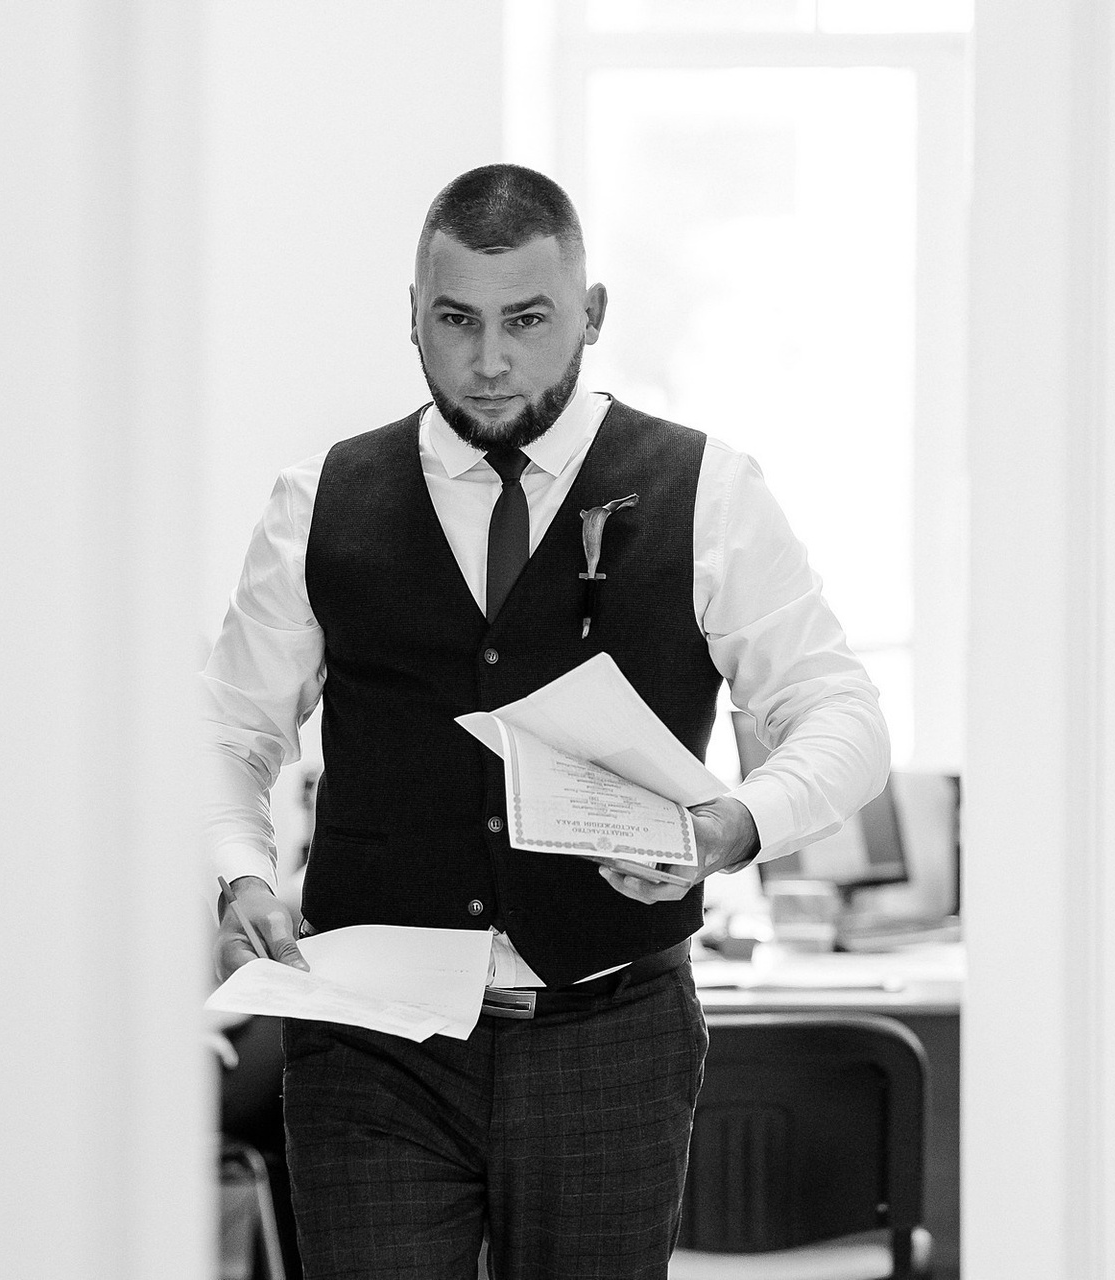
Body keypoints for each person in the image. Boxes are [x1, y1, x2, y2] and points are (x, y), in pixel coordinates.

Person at [202, 163, 889, 1280]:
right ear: (412, 315)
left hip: (611, 1034)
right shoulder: (317, 500)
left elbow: (841, 712)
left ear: (592, 313)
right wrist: (242, 872)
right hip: (369, 1042)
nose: (489, 360)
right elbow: (227, 735)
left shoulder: (709, 492)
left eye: (526, 320)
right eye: (455, 320)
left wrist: (734, 825)